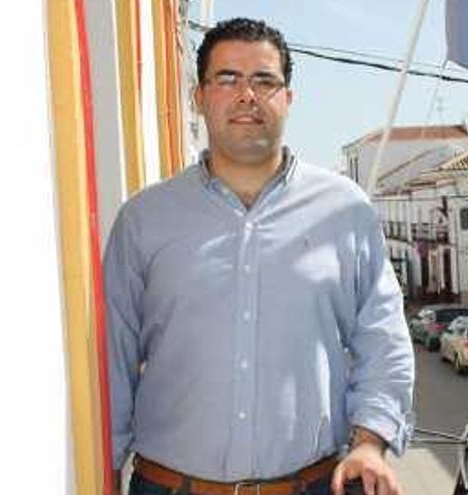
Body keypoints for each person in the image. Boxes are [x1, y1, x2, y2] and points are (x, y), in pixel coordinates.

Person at [104, 17, 415, 495]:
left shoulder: (346, 210)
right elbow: (114, 359)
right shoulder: (143, 219)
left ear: (287, 97)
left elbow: (383, 339)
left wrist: (370, 442)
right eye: (227, 78)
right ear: (199, 96)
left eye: (264, 80)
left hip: (310, 485)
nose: (246, 94)